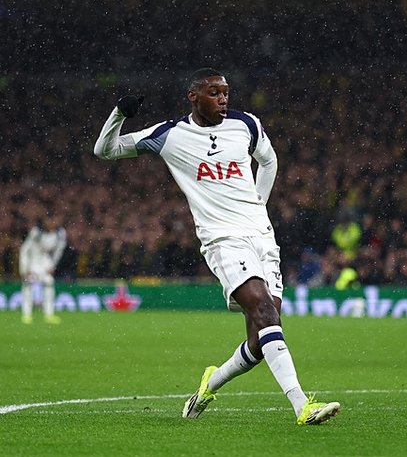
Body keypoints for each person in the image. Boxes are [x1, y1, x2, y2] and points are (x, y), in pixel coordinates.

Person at [94, 68, 339, 425]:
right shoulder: (169, 135)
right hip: (223, 239)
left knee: (260, 339)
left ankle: (210, 384)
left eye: (225, 93)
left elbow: (268, 160)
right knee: (266, 314)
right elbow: (105, 150)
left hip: (262, 236)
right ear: (193, 96)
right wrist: (119, 113)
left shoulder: (246, 124)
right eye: (214, 93)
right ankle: (302, 406)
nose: (223, 99)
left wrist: (258, 205)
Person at [19, 218, 67, 324]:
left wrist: (52, 266)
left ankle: (49, 314)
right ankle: (26, 314)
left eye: (54, 221)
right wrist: (24, 269)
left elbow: (58, 252)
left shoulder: (60, 233)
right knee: (28, 286)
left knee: (49, 284)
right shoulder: (36, 232)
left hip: (45, 263)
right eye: (49, 221)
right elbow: (25, 250)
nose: (52, 223)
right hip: (33, 262)